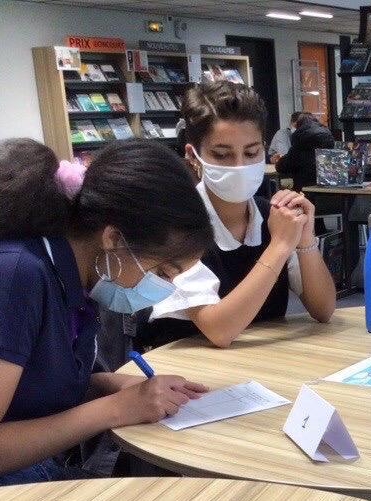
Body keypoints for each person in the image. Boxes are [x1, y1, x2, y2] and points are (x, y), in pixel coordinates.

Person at [0, 138, 213, 496]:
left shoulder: (73, 281)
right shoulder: (9, 277)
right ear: (113, 238)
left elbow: (33, 387)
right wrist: (115, 408)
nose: (164, 288)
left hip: (9, 472)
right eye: (163, 273)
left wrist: (117, 386)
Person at [140, 81, 334, 350]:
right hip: (189, 369)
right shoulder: (175, 225)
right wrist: (279, 245)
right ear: (193, 155)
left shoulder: (271, 215)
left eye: (252, 152)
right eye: (222, 155)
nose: (240, 165)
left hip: (263, 362)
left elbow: (323, 309)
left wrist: (304, 239)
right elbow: (219, 331)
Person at [274, 111, 334, 193]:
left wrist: (280, 160)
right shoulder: (328, 138)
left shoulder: (301, 141)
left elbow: (282, 167)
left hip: (305, 190)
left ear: (298, 126)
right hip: (330, 188)